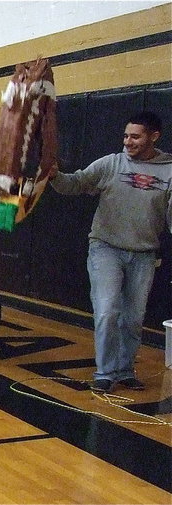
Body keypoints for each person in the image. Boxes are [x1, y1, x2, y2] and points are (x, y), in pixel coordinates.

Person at [49, 111, 172, 393]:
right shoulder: (111, 164)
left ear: (154, 137)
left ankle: (125, 369)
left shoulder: (169, 170)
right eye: (126, 135)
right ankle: (105, 372)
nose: (128, 141)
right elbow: (76, 183)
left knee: (133, 318)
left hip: (144, 254)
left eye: (135, 136)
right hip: (106, 249)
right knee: (106, 311)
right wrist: (55, 176)